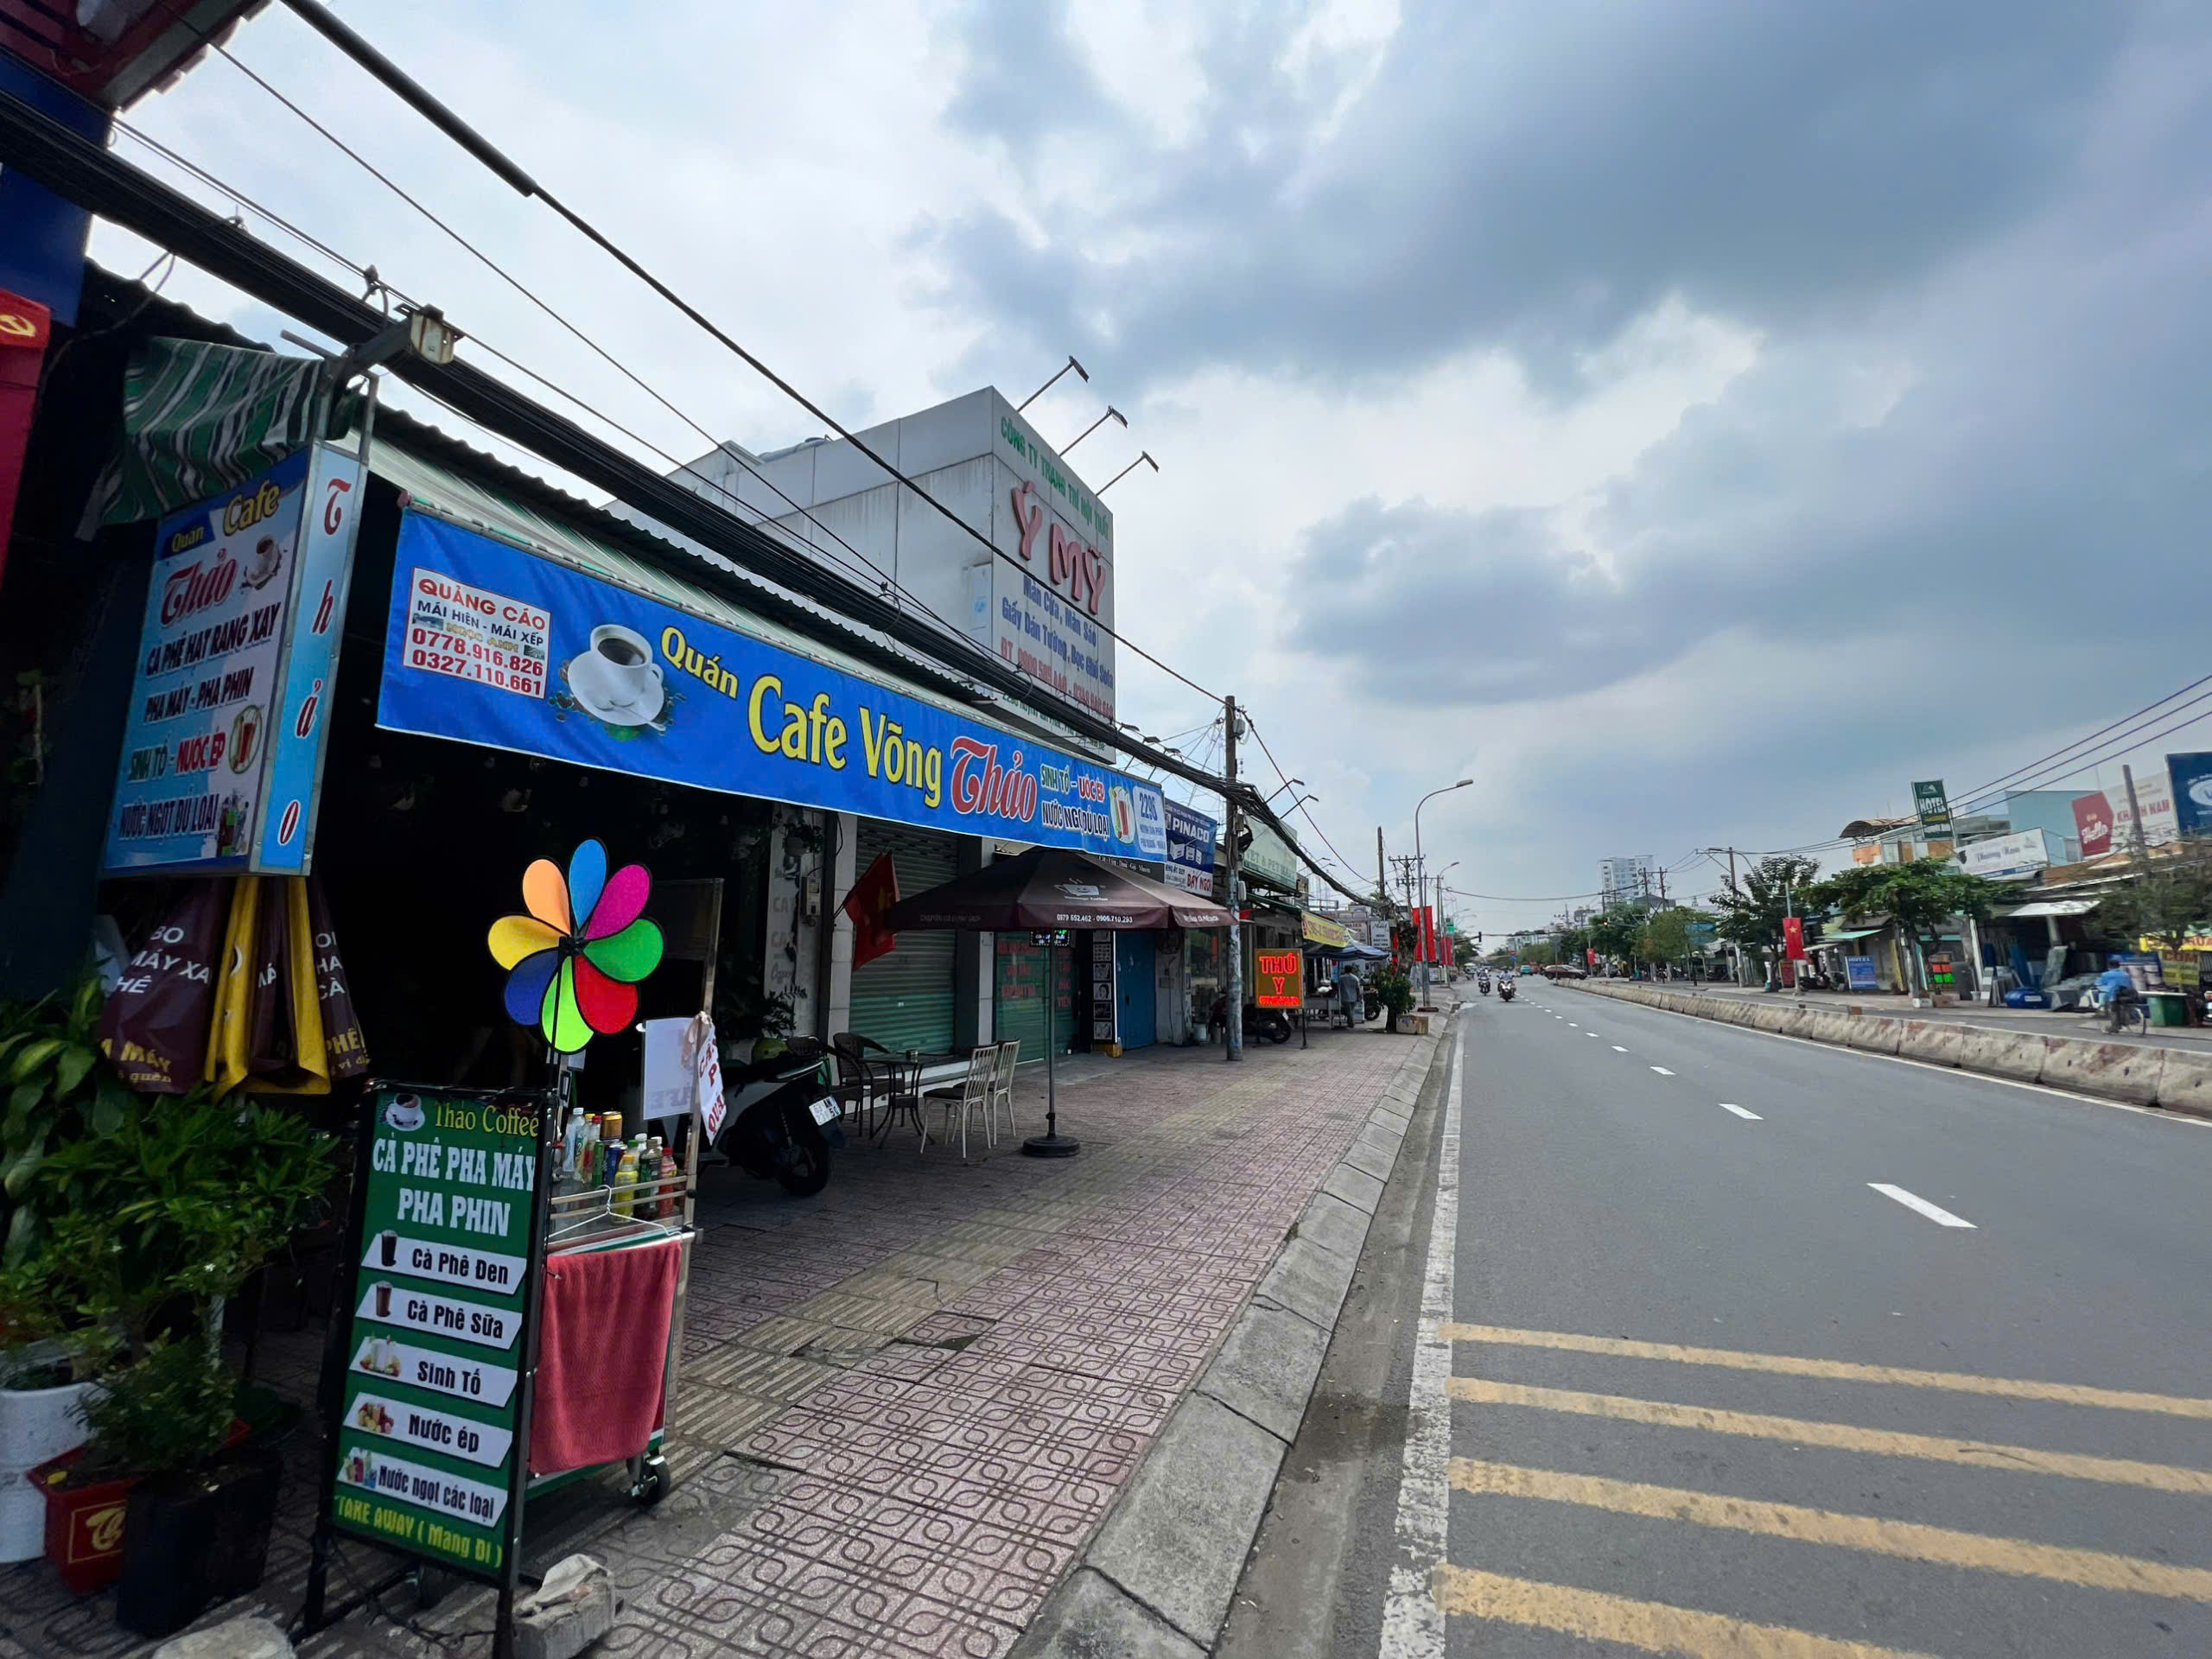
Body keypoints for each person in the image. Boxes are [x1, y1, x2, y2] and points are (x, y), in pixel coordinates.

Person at [2095, 957, 2145, 1032]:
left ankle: (2115, 1027)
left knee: (2114, 1010)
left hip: (2114, 996)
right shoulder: (2125, 974)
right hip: (2127, 995)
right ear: (2119, 966)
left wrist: (2105, 989)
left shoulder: (2105, 975)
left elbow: (2098, 984)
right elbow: (2130, 986)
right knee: (2124, 1007)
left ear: (2109, 966)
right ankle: (2125, 1021)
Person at [1334, 962, 1364, 1028]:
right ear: (1351, 970)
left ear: (1345, 970)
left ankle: (1351, 1024)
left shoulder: (1341, 978)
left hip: (1345, 998)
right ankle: (1350, 1023)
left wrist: (1338, 996)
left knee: (1349, 1011)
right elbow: (1358, 989)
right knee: (1351, 1011)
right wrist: (1359, 997)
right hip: (1353, 997)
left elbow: (1338, 988)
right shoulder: (1355, 978)